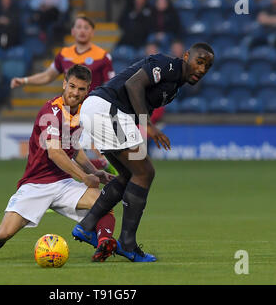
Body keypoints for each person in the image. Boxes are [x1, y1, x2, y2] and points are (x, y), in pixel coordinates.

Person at [0, 65, 117, 262]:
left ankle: (104, 245)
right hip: (36, 184)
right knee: (4, 232)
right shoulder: (51, 111)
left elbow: (74, 148)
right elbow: (55, 153)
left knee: (105, 200)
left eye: (81, 89)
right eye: (72, 86)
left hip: (63, 182)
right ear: (64, 83)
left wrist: (94, 172)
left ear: (87, 90)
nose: (75, 92)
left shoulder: (82, 111)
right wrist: (84, 177)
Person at [73, 42, 214, 262]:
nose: (202, 69)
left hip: (103, 111)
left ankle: (87, 225)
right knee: (145, 172)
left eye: (208, 66)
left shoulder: (175, 85)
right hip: (107, 109)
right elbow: (133, 84)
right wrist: (147, 124)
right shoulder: (168, 65)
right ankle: (128, 244)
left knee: (130, 175)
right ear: (186, 56)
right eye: (199, 62)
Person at [11, 14, 116, 172]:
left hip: (91, 111)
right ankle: (96, 180)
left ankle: (109, 177)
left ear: (92, 32)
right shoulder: (64, 54)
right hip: (67, 112)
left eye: (86, 28)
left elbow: (110, 86)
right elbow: (48, 75)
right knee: (71, 156)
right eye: (79, 27)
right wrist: (25, 81)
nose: (82, 31)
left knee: (92, 154)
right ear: (73, 31)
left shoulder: (102, 56)